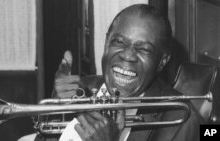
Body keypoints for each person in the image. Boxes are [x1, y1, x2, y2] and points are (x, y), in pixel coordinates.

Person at [20, 4, 204, 141]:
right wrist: (56, 110)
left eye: (144, 49)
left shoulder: (183, 119)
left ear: (162, 61)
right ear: (106, 42)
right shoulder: (84, 88)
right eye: (119, 43)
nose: (128, 55)